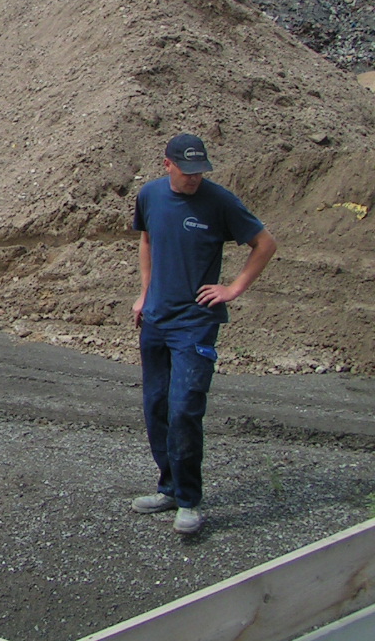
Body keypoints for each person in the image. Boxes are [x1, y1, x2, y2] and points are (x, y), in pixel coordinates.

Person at [130, 134, 277, 535]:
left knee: (184, 409)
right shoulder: (150, 195)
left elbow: (265, 244)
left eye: (200, 172)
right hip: (156, 320)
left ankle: (189, 501)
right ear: (168, 165)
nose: (195, 178)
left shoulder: (219, 201)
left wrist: (233, 288)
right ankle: (168, 488)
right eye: (187, 171)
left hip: (195, 322)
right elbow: (147, 240)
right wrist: (144, 294)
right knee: (156, 407)